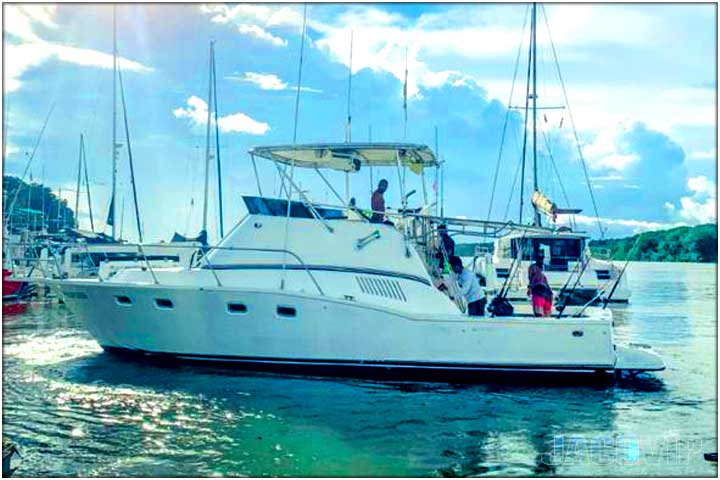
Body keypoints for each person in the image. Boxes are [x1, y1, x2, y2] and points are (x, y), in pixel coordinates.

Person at [528, 252, 553, 317]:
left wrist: (530, 288)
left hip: (542, 293)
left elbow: (531, 279)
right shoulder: (535, 268)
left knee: (541, 314)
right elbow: (531, 279)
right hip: (544, 293)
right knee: (543, 314)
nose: (541, 260)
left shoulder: (533, 267)